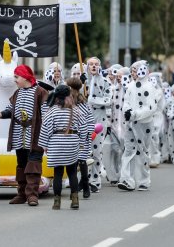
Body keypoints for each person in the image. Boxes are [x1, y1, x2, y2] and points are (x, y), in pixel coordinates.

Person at [0, 64, 48, 206]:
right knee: (21, 165)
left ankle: (32, 195)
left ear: (25, 77)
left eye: (16, 77)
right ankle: (22, 194)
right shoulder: (17, 93)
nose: (14, 80)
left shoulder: (40, 92)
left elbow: (47, 115)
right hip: (19, 134)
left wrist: (47, 136)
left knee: (33, 165)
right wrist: (0, 114)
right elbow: (10, 109)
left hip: (35, 135)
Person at [39, 84, 85, 210]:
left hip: (56, 143)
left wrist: (44, 145)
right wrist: (81, 142)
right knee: (72, 172)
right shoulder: (76, 110)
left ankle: (57, 202)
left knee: (57, 173)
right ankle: (75, 200)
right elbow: (83, 128)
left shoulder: (52, 111)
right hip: (72, 143)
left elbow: (45, 129)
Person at [118, 60, 159, 191]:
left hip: (144, 124)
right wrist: (127, 112)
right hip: (131, 124)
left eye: (135, 70)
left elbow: (151, 107)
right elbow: (126, 102)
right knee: (128, 150)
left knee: (143, 151)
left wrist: (135, 114)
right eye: (132, 71)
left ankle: (144, 181)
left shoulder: (149, 87)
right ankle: (127, 180)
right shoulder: (130, 86)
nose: (133, 73)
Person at [85, 57, 112, 192]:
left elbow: (108, 100)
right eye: (91, 64)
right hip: (83, 120)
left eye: (96, 64)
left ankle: (95, 181)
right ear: (87, 66)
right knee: (82, 151)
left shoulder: (105, 82)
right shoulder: (82, 82)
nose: (94, 67)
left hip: (99, 121)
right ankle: (83, 179)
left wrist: (93, 100)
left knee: (96, 151)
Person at [66, 77, 94, 198]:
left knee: (81, 161)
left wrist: (88, 132)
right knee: (78, 161)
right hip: (75, 135)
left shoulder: (81, 103)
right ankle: (80, 185)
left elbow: (89, 119)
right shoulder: (70, 102)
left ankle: (85, 184)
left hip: (80, 135)